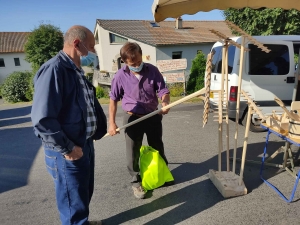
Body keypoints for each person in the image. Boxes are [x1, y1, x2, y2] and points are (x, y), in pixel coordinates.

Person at [31, 25, 107, 225]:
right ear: (76, 44)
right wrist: (67, 148)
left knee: (82, 194)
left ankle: (82, 222)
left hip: (83, 143)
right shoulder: (54, 69)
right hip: (67, 150)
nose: (93, 52)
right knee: (72, 201)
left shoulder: (76, 70)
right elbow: (43, 119)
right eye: (91, 47)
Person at [108, 42, 171, 199]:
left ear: (141, 55)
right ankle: (136, 182)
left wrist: (165, 102)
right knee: (132, 151)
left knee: (157, 145)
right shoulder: (120, 76)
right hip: (132, 117)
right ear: (125, 62)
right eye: (133, 63)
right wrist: (111, 122)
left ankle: (162, 172)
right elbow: (113, 100)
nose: (137, 65)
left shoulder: (152, 70)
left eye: (138, 61)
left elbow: (163, 90)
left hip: (152, 116)